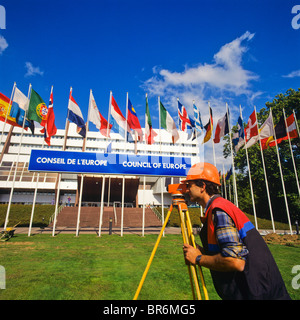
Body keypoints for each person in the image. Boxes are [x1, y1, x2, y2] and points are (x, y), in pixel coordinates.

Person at [182, 162, 291, 300]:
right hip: (259, 290)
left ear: (202, 186)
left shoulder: (218, 210)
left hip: (258, 292)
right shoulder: (217, 207)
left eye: (189, 185)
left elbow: (235, 261)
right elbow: (228, 248)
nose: (186, 190)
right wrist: (203, 252)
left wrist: (198, 258)